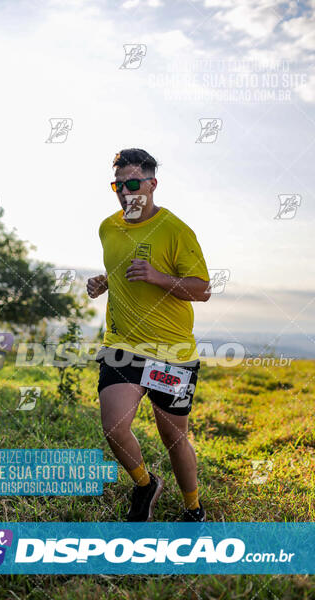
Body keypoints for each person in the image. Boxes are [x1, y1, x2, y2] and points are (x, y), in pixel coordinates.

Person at [87, 148, 211, 522]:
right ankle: (145, 485)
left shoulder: (175, 230)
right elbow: (125, 267)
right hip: (122, 347)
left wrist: (158, 277)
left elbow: (202, 289)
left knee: (173, 438)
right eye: (118, 185)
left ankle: (193, 509)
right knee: (113, 427)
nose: (126, 191)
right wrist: (103, 282)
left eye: (133, 183)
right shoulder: (109, 227)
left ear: (152, 184)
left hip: (171, 353)